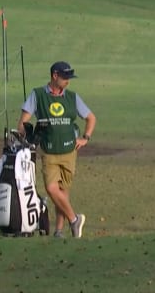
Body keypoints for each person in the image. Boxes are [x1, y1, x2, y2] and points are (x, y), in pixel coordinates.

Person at [17, 61, 97, 239]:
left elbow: (91, 118)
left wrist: (85, 138)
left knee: (63, 192)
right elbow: (23, 121)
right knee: (52, 189)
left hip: (69, 151)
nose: (68, 81)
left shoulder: (72, 97)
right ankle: (74, 219)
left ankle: (59, 231)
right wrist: (24, 136)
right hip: (48, 151)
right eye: (65, 78)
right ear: (54, 76)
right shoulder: (37, 95)